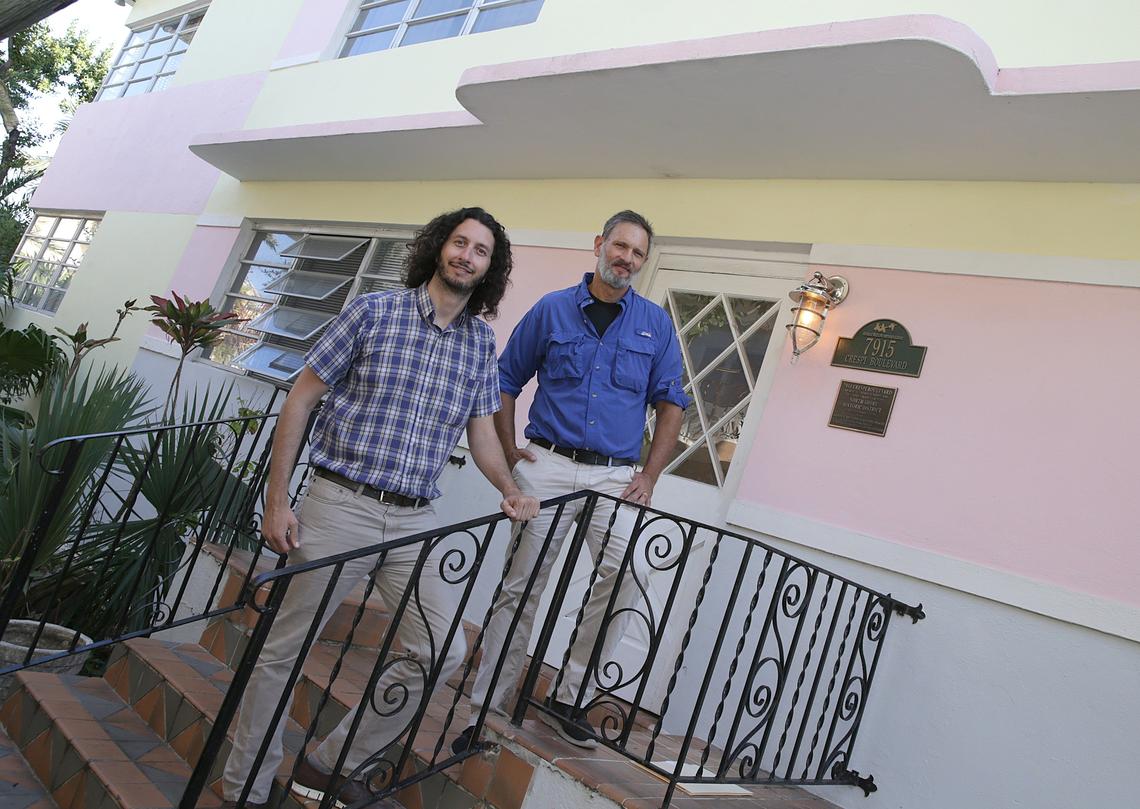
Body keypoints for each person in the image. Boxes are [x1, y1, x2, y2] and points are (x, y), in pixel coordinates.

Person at [217, 207, 540, 809]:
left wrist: (509, 487)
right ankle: (246, 789)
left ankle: (330, 759)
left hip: (414, 519)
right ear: (438, 248)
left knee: (442, 649)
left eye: (481, 251)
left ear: (490, 269)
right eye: (459, 242)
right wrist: (277, 500)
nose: (467, 255)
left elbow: (480, 434)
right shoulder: (374, 312)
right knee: (284, 651)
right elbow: (300, 400)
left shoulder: (478, 342)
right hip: (339, 504)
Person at [456, 210, 687, 751]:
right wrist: (512, 450)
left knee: (629, 576)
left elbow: (673, 404)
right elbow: (505, 381)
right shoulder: (552, 310)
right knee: (523, 585)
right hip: (548, 465)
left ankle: (570, 693)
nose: (626, 258)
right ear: (599, 244)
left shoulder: (654, 324)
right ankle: (484, 710)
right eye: (619, 246)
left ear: (642, 262)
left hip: (614, 476)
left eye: (637, 252)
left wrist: (649, 476)